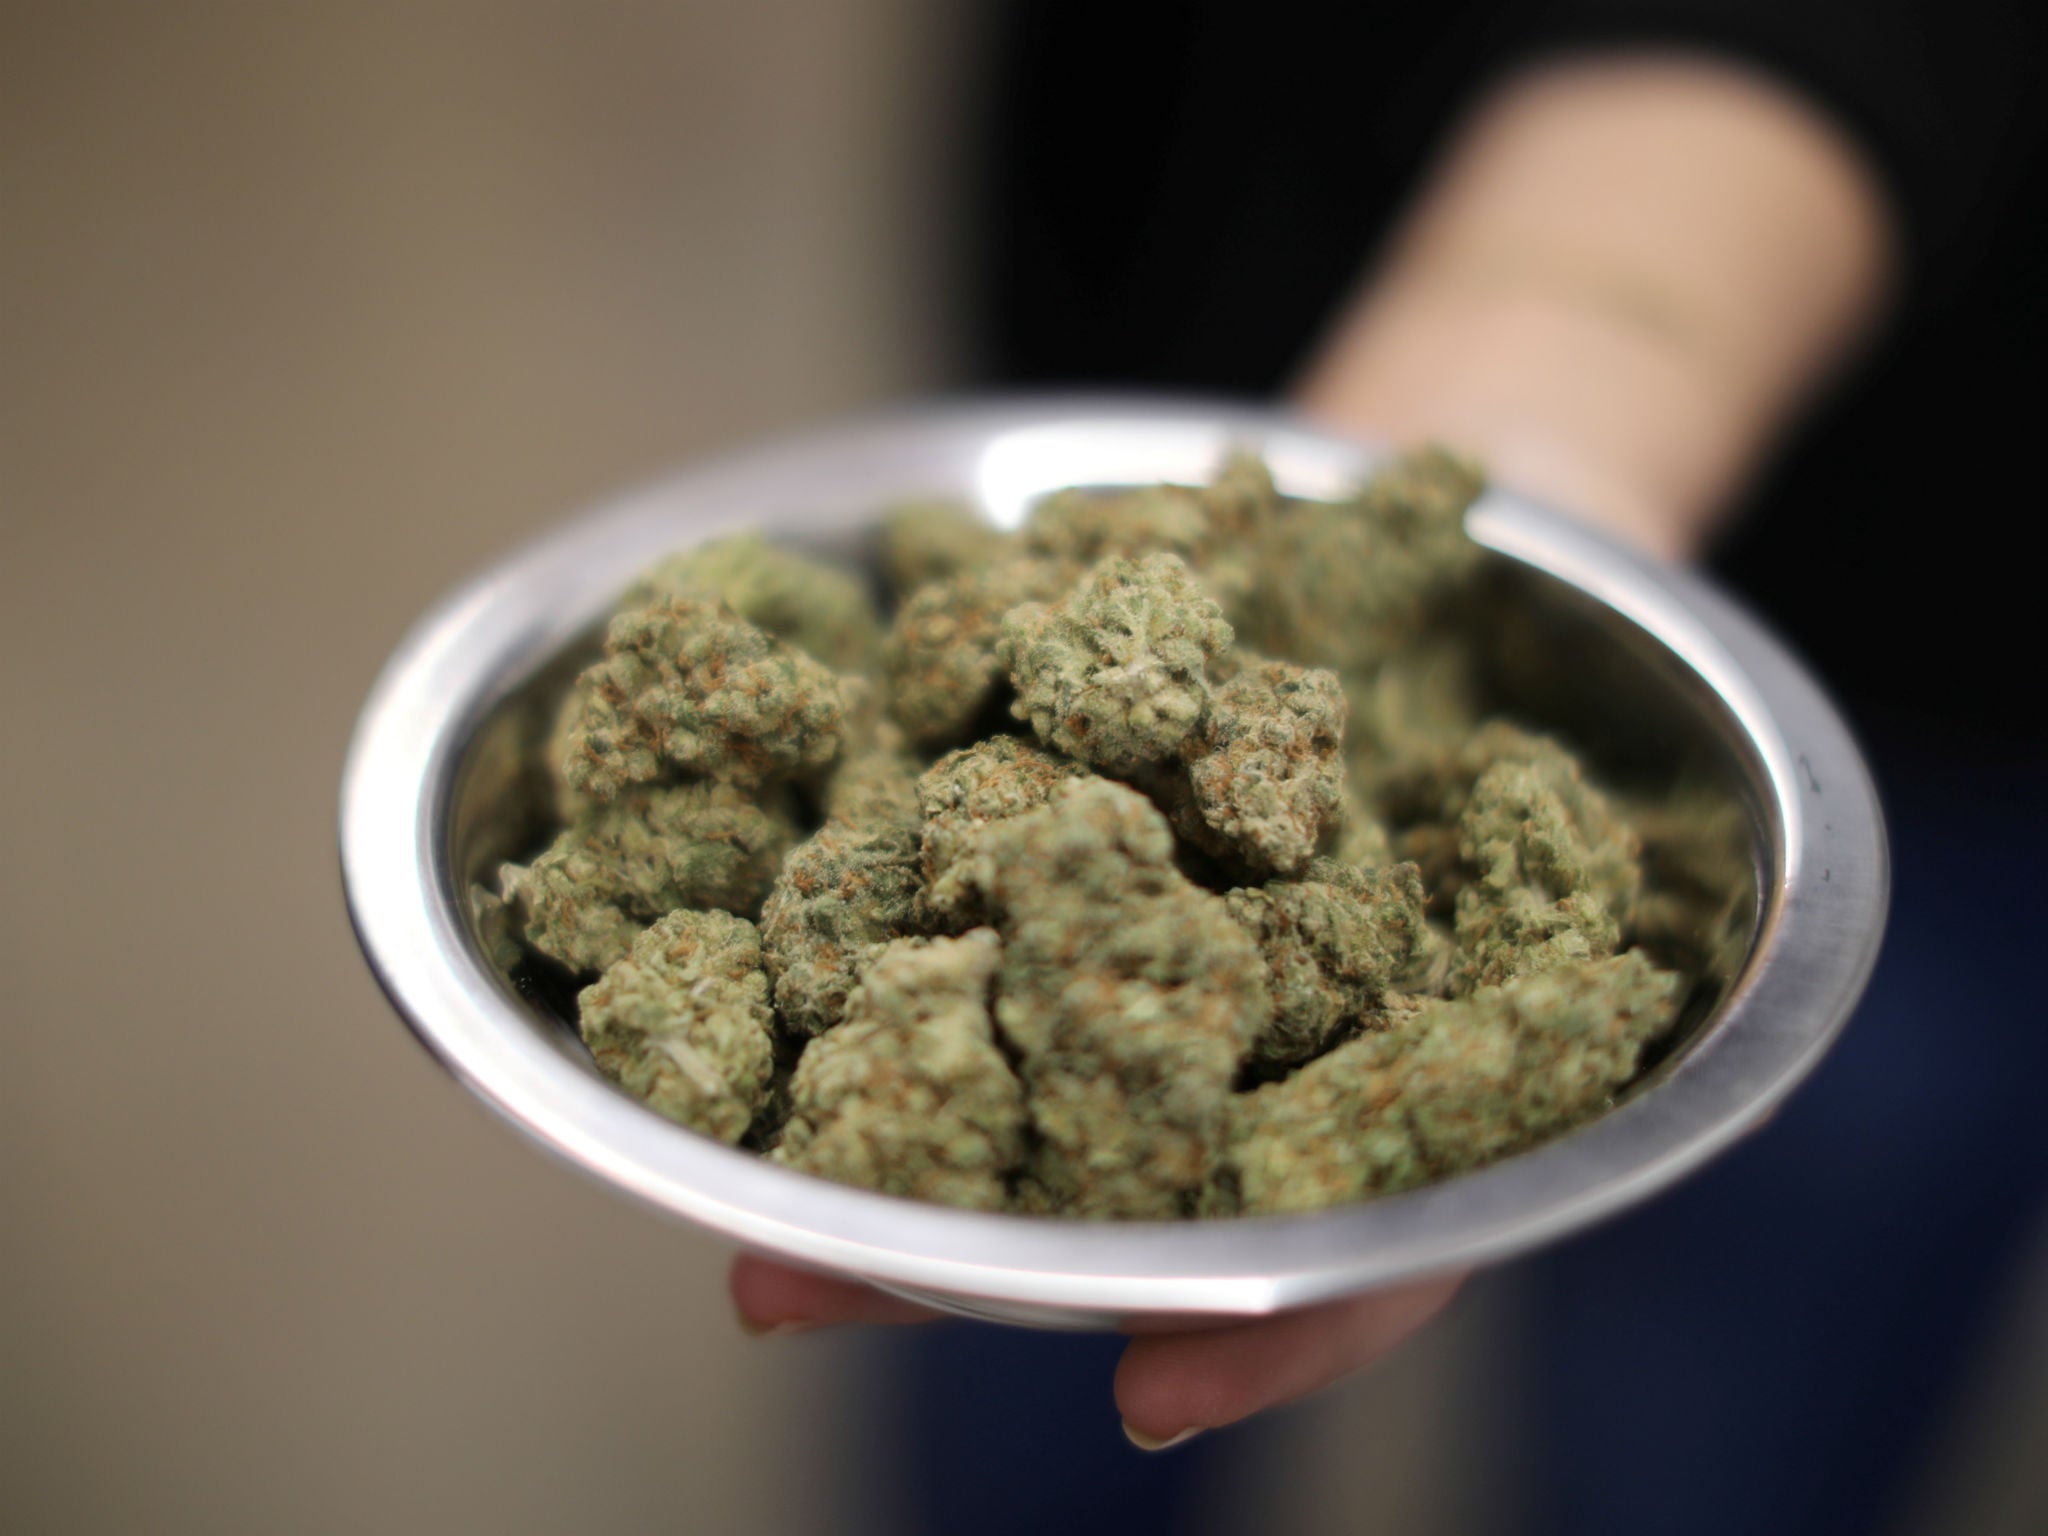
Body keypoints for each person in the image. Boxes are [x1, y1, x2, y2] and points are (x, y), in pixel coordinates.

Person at [735, 7, 2048, 1529]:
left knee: (1716, 1419)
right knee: (1019, 1353)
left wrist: (1583, 342)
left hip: (1925, 618)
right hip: (1207, 238)